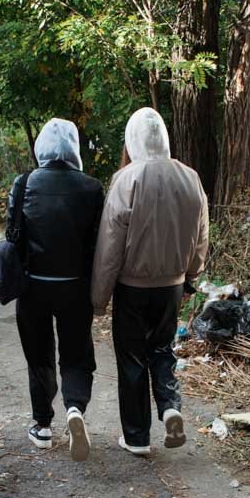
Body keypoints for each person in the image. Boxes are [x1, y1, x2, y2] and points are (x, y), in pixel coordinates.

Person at [91, 107, 209, 456]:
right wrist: (192, 276)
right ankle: (170, 407)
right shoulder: (191, 177)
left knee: (131, 360)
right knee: (162, 349)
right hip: (172, 285)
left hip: (132, 286)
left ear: (131, 139)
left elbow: (110, 244)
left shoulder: (127, 178)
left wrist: (100, 298)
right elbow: (201, 235)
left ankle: (137, 436)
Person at [9, 118, 104, 460]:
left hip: (33, 286)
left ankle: (42, 425)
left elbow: (12, 236)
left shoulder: (24, 183)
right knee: (77, 354)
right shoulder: (92, 188)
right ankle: (75, 408)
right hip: (75, 287)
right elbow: (99, 243)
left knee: (39, 355)